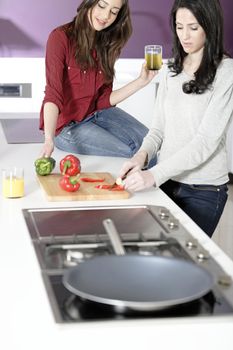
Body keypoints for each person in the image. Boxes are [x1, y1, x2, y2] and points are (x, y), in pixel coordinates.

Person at [118, 0, 233, 237]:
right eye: (179, 27)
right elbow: (158, 129)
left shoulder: (226, 72)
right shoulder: (171, 69)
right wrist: (141, 156)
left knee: (187, 263)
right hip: (167, 182)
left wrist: (153, 174)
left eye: (193, 27)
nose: (185, 36)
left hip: (204, 190)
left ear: (209, 27)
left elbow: (205, 142)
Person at [39, 0, 157, 162]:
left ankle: (162, 185)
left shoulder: (108, 43)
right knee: (135, 151)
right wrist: (48, 140)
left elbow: (104, 100)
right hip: (68, 127)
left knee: (151, 144)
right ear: (90, 3)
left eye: (114, 11)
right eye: (102, 5)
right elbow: (53, 94)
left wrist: (141, 81)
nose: (106, 16)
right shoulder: (60, 37)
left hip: (98, 113)